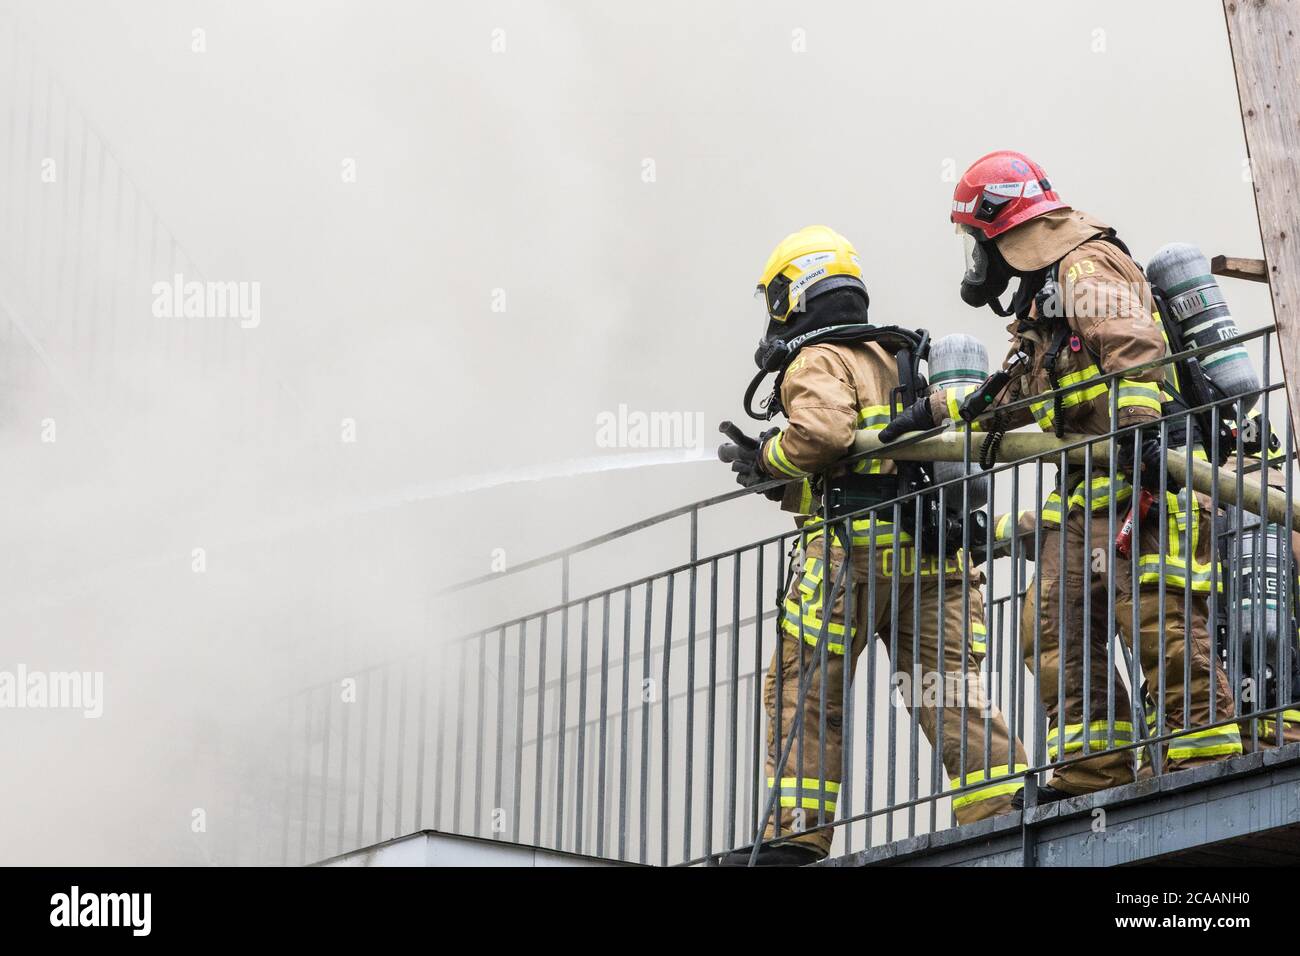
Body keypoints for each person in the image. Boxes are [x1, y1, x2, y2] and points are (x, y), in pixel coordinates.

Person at [883, 151, 1242, 799]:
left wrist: (1137, 426)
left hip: (1143, 490)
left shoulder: (1082, 265)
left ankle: (1202, 767)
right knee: (1053, 632)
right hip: (1083, 500)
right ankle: (1088, 773)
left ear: (999, 226)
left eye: (975, 239)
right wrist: (934, 408)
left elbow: (1134, 343)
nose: (976, 257)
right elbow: (1014, 392)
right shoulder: (1044, 297)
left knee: (1158, 625)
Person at [718, 224, 1027, 865]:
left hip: (850, 562)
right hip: (931, 558)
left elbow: (825, 436)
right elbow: (868, 462)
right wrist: (778, 481)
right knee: (947, 689)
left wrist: (771, 455)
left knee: (805, 689)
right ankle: (1004, 804)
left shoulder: (818, 359)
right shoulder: (894, 357)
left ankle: (795, 841)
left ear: (796, 292)